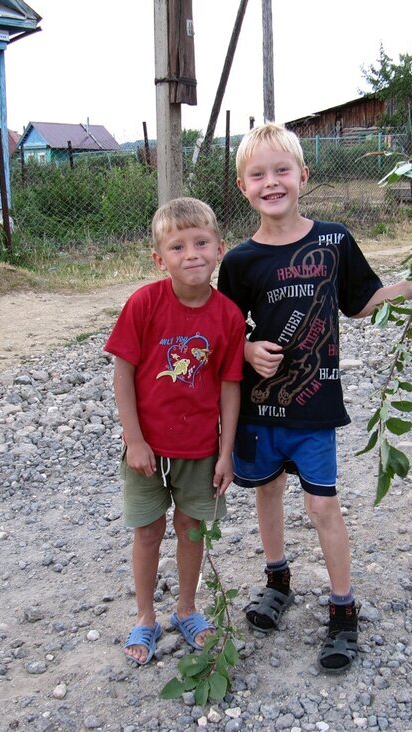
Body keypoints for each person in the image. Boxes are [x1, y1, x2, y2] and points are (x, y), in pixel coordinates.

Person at [217, 122, 412, 674]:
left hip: (315, 404)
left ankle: (343, 609)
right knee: (267, 491)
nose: (271, 182)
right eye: (258, 174)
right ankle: (278, 580)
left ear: (303, 175)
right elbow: (223, 331)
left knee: (323, 504)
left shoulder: (333, 240)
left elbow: (362, 301)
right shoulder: (241, 261)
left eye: (281, 170)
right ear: (243, 186)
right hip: (260, 408)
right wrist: (248, 351)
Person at [105, 197, 245, 666]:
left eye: (201, 243)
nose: (192, 254)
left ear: (220, 248)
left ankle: (186, 608)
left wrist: (226, 453)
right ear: (159, 258)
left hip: (200, 449)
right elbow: (122, 374)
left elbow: (229, 387)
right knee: (147, 532)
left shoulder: (227, 315)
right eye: (178, 246)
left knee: (191, 529)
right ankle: (145, 616)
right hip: (147, 450)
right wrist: (134, 440)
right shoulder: (144, 303)